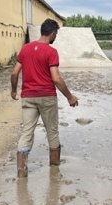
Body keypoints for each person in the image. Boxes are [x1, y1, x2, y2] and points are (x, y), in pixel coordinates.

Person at [11, 19, 79, 178]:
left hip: (28, 97)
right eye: (56, 33)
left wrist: (14, 91)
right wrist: (70, 97)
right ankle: (54, 171)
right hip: (47, 97)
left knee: (26, 132)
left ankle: (22, 172)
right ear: (53, 33)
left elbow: (14, 73)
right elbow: (56, 78)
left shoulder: (25, 49)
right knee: (52, 132)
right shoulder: (51, 51)